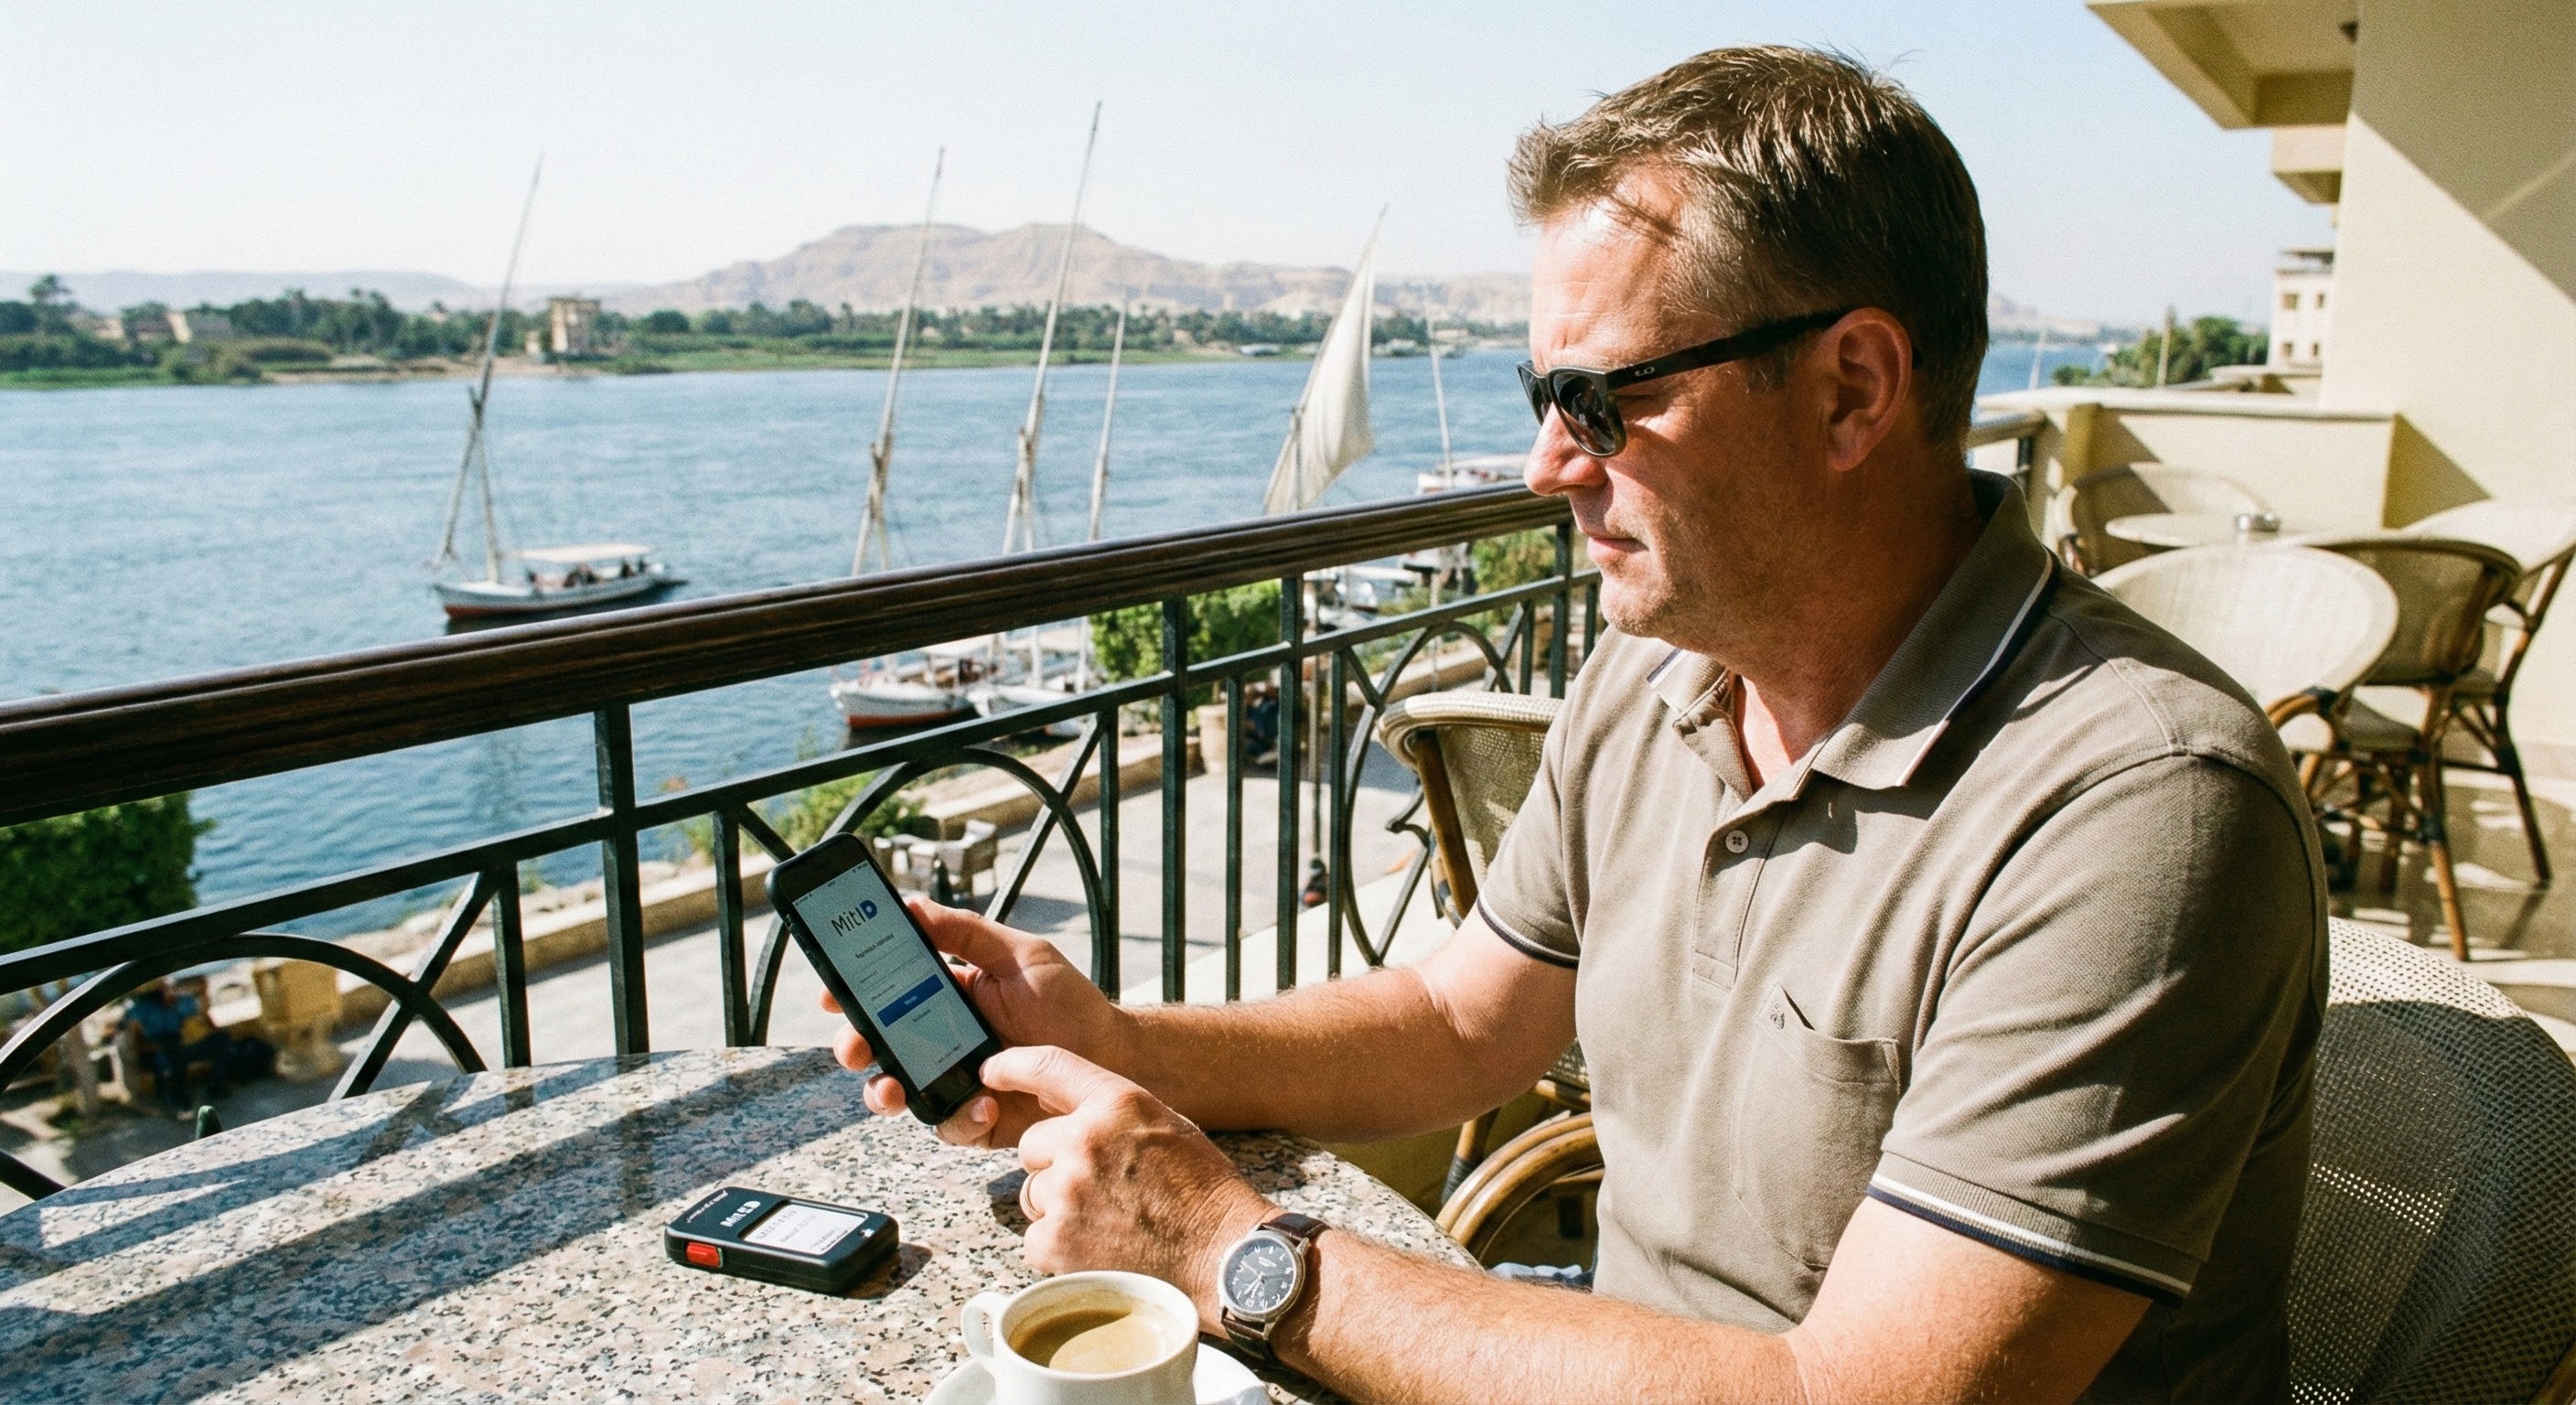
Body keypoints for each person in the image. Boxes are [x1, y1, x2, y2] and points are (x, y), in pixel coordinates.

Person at [830, 47, 2321, 1404]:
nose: (1547, 464)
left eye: (1601, 400)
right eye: (1539, 393)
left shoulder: (2139, 808)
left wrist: (1233, 1250)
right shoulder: (1661, 673)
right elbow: (1461, 1022)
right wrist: (1114, 1036)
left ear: (1852, 389)